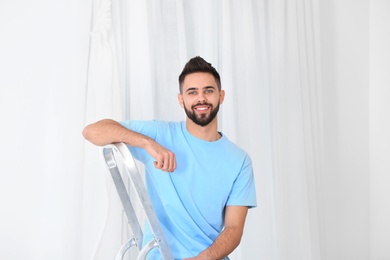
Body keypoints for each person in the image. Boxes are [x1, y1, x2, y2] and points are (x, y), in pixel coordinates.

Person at [82, 56, 257, 260]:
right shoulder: (160, 135)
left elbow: (234, 229)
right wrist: (147, 143)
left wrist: (203, 259)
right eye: (192, 92)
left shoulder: (239, 161)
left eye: (208, 90)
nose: (201, 99)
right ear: (181, 99)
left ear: (221, 96)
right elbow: (92, 131)